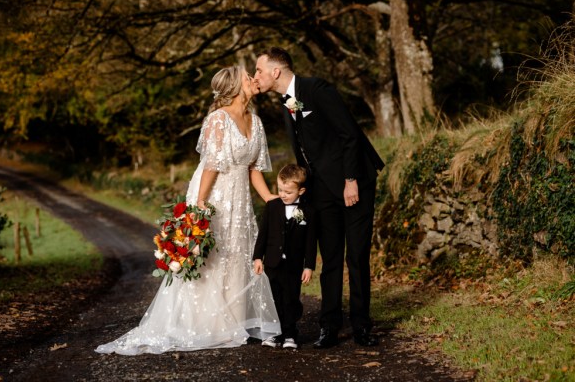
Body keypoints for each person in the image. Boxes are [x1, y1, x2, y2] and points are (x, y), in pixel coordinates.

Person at [95, 65, 281, 354]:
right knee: (213, 256)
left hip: (241, 199)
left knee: (237, 252)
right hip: (214, 193)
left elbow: (254, 168)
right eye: (248, 76)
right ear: (234, 86)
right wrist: (200, 204)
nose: (254, 79)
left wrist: (270, 198)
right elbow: (211, 164)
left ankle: (232, 322)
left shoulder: (256, 122)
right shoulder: (218, 120)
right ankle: (205, 323)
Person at [254, 47, 385, 348]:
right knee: (330, 257)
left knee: (357, 256)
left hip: (354, 182)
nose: (256, 75)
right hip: (320, 189)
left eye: (259, 70)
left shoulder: (317, 89)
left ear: (276, 71)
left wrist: (350, 180)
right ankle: (329, 326)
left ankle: (362, 326)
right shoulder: (287, 102)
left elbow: (349, 134)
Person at [252, 164, 317, 349]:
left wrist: (308, 266)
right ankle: (273, 334)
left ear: (301, 191)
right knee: (273, 299)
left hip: (294, 266)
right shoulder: (272, 206)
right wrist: (258, 258)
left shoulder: (308, 211)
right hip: (272, 263)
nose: (283, 194)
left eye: (288, 191)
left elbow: (310, 242)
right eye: (280, 189)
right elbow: (263, 234)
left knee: (291, 300)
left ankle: (290, 334)